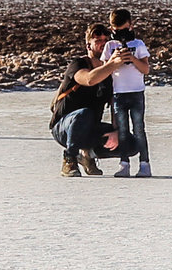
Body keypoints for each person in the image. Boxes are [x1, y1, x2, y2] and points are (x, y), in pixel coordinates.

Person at [50, 25, 130, 177]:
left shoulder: (111, 75)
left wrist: (116, 131)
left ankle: (89, 155)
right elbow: (89, 79)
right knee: (84, 114)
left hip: (89, 129)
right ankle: (70, 158)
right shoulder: (78, 64)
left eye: (106, 40)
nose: (103, 43)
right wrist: (112, 64)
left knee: (131, 144)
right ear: (88, 45)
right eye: (98, 40)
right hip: (64, 128)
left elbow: (115, 105)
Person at [107, 7, 153, 177]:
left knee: (139, 128)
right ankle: (124, 163)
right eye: (117, 31)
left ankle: (144, 163)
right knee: (123, 130)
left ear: (131, 26)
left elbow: (145, 69)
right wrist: (115, 59)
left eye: (125, 30)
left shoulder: (138, 44)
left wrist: (132, 58)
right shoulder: (110, 45)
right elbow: (105, 68)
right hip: (119, 93)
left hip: (136, 92)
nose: (122, 34)